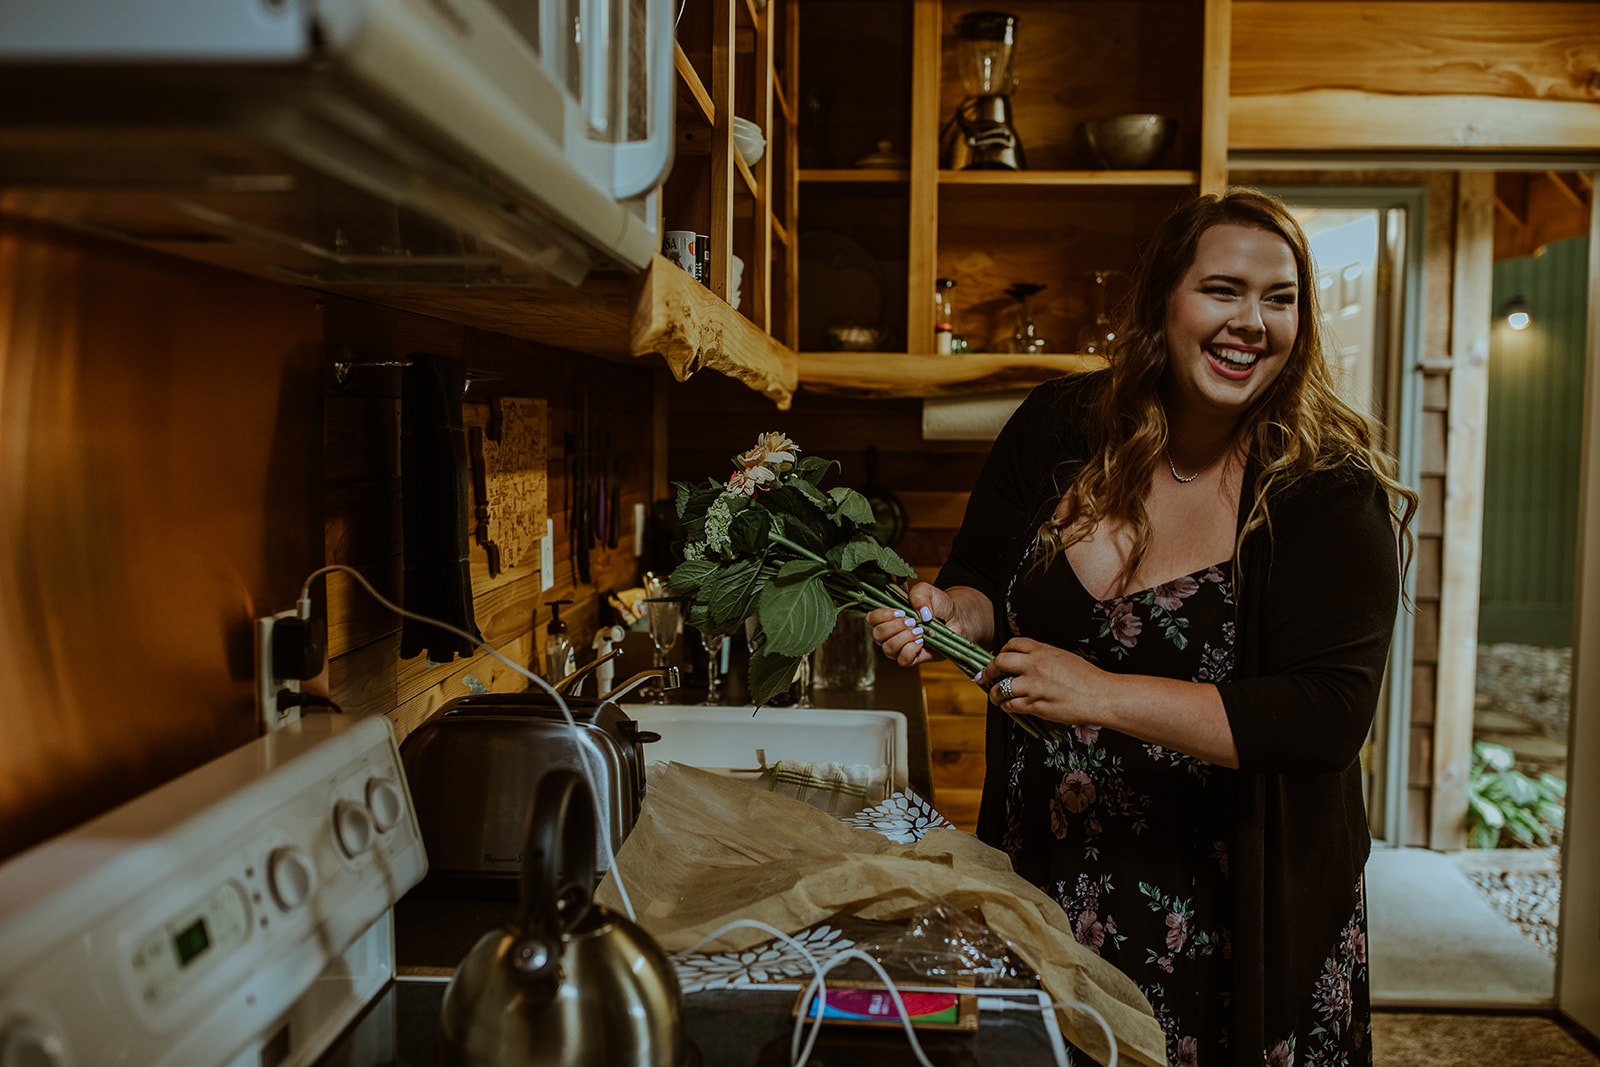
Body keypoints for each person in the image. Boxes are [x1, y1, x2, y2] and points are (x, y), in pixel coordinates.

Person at [868, 187, 1416, 1067]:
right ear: (1164, 298)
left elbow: (1325, 716)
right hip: (1045, 872)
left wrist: (1099, 692)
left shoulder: (1325, 488)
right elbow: (981, 587)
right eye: (1224, 289)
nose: (1253, 322)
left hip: (1229, 906)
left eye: (1281, 299)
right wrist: (942, 615)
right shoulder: (1056, 427)